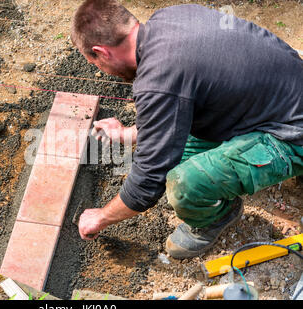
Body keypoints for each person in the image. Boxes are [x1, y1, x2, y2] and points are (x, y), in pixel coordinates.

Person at [71, 0, 303, 259]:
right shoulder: (172, 17)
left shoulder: (158, 78)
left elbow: (148, 183)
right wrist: (128, 134)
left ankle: (218, 217)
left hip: (293, 133)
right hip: (283, 93)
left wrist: (101, 218)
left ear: (101, 52)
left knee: (185, 184)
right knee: (177, 153)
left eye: (96, 64)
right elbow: (177, 104)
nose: (102, 71)